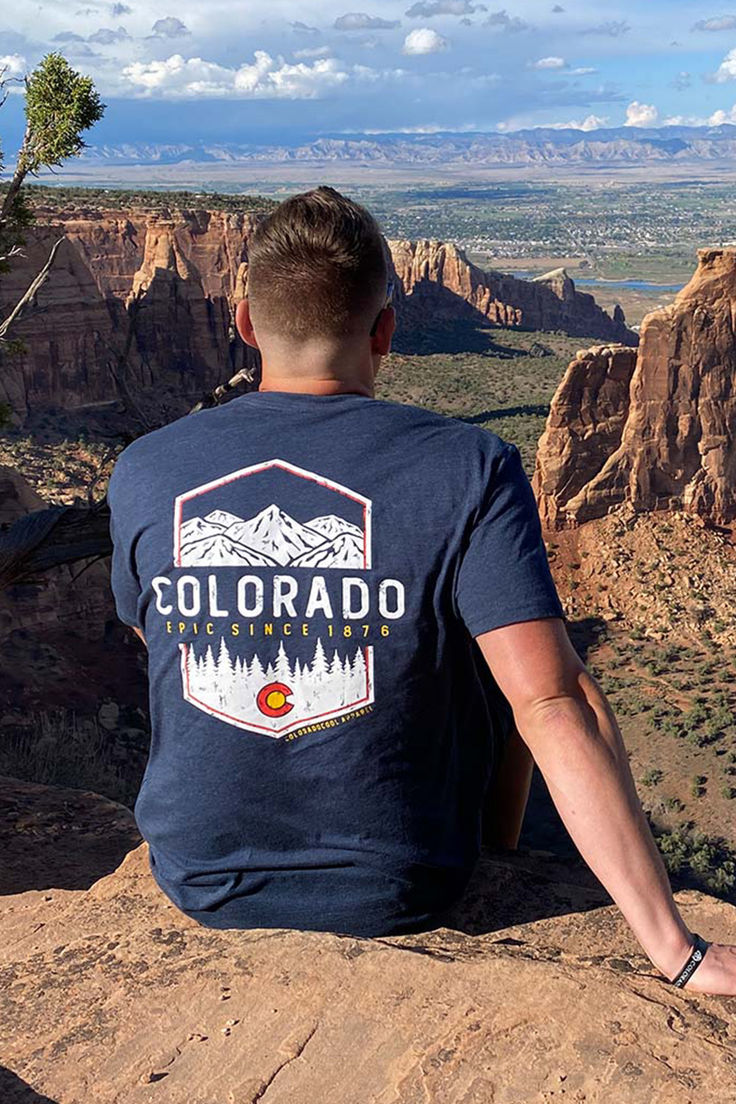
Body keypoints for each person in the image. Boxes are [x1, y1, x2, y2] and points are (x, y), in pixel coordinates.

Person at [107, 185, 735, 995]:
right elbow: (552, 704)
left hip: (196, 876)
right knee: (512, 655)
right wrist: (676, 949)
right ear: (387, 330)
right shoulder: (469, 467)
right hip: (398, 886)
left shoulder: (146, 470)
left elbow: (159, 647)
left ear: (246, 323)